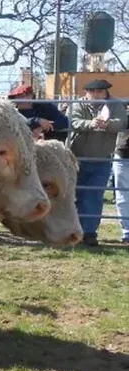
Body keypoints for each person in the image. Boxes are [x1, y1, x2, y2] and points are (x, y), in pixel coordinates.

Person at [66, 78, 127, 247]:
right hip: (76, 158)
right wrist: (90, 124)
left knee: (94, 196)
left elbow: (122, 122)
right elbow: (73, 121)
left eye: (99, 91)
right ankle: (74, 230)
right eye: (92, 91)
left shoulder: (115, 105)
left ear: (106, 92)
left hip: (102, 159)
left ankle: (89, 232)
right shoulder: (78, 104)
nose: (95, 94)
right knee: (75, 196)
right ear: (86, 93)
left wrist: (108, 124)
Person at [112, 109, 129, 245]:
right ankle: (127, 232)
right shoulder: (121, 109)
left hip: (122, 153)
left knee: (123, 195)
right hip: (123, 153)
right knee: (123, 196)